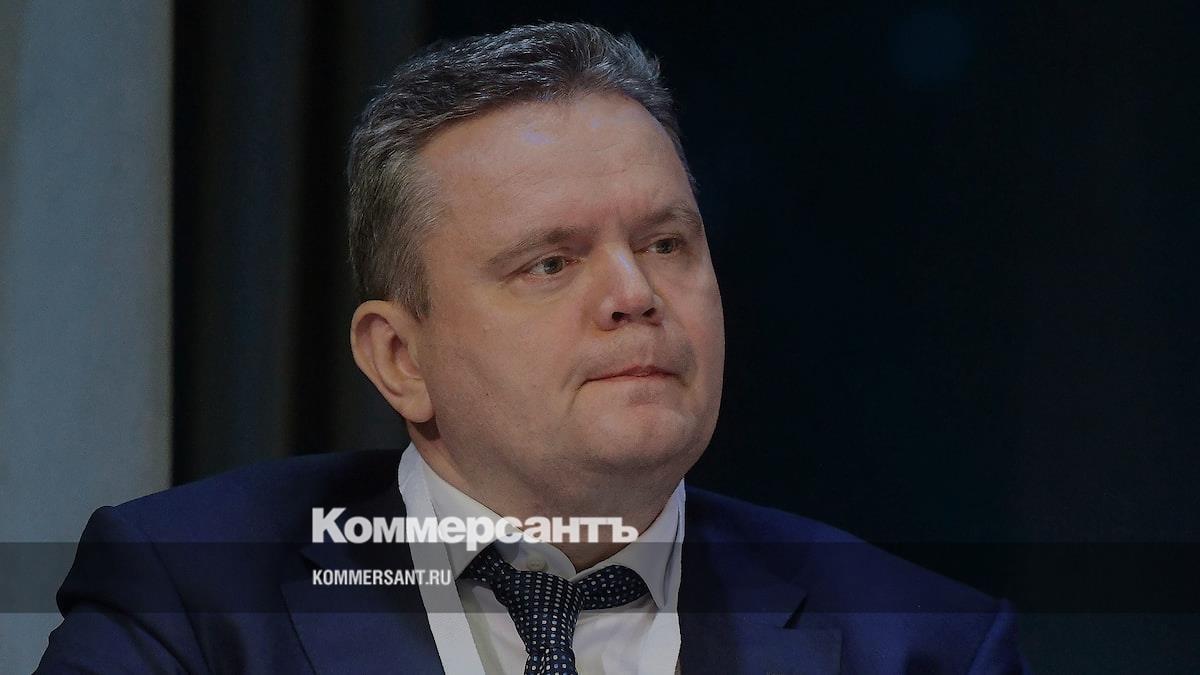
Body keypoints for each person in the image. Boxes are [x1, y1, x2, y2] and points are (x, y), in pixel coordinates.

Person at [38, 22, 1028, 674]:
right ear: (400, 358)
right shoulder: (191, 600)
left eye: (666, 244)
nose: (635, 296)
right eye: (550, 263)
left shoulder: (924, 645)